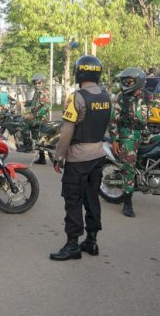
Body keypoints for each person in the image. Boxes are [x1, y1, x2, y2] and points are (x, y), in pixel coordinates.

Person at [50, 55, 111, 261]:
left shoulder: (76, 97)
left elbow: (67, 131)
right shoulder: (106, 96)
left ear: (79, 73)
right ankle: (92, 241)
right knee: (92, 197)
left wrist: (58, 156)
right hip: (98, 154)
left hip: (78, 158)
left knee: (73, 200)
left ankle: (72, 245)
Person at [108, 67, 153, 218]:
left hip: (144, 133)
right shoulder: (120, 98)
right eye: (124, 81)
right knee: (129, 167)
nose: (125, 83)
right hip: (127, 135)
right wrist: (114, 140)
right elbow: (113, 120)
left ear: (138, 81)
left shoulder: (147, 96)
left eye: (129, 81)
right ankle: (127, 202)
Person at [27, 73, 52, 164]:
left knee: (25, 125)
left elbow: (46, 107)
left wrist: (34, 115)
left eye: (39, 83)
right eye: (35, 83)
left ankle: (27, 145)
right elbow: (35, 103)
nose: (37, 84)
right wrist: (26, 103)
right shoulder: (37, 93)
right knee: (37, 138)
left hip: (41, 119)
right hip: (36, 118)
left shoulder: (44, 92)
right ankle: (42, 158)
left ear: (43, 82)